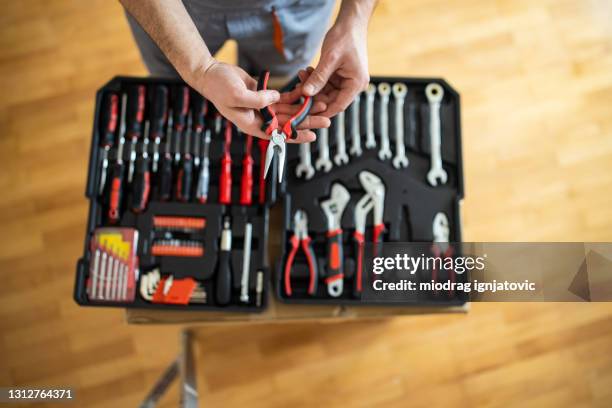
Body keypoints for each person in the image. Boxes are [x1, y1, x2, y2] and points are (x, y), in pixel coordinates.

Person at [120, 0, 376, 142]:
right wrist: (199, 69)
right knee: (174, 83)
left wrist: (356, 17)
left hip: (295, 9)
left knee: (278, 79)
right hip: (170, 10)